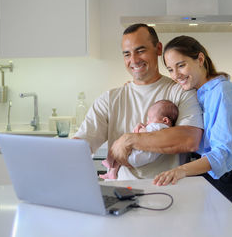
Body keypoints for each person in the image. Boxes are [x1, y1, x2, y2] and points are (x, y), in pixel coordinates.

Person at [73, 24, 203, 180]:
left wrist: (130, 140)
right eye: (127, 54)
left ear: (158, 48)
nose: (133, 60)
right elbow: (80, 146)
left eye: (140, 51)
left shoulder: (181, 91)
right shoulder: (109, 99)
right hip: (122, 193)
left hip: (169, 192)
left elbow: (190, 139)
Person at [153, 35, 232, 220]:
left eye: (181, 65)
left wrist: (181, 170)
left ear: (200, 59)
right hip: (204, 176)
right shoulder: (194, 93)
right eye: (170, 69)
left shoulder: (224, 91)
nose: (176, 75)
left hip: (228, 179)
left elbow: (224, 153)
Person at [99, 99, 179, 180]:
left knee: (116, 146)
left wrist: (139, 128)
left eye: (150, 119)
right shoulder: (167, 130)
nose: (147, 122)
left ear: (165, 120)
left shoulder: (159, 126)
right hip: (142, 158)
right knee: (119, 160)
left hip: (137, 156)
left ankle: (109, 161)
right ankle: (112, 173)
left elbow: (143, 134)